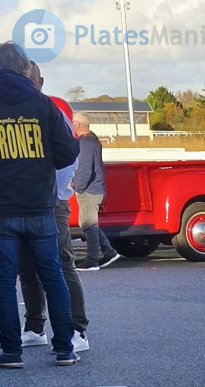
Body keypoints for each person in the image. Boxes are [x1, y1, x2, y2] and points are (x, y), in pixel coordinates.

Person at [0, 41, 78, 369]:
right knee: (53, 276)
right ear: (25, 68)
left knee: (5, 282)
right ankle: (64, 348)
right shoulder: (44, 104)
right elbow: (70, 152)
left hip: (3, 210)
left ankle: (12, 352)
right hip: (41, 208)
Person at [18, 61, 88, 354]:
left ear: (40, 80)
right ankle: (35, 326)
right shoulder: (15, 109)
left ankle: (77, 330)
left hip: (53, 201)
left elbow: (69, 156)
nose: (23, 81)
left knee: (61, 263)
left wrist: (56, 192)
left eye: (28, 77)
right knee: (27, 268)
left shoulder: (51, 110)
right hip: (24, 202)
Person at [71, 113, 120, 270]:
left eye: (72, 122)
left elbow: (85, 169)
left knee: (89, 225)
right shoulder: (92, 140)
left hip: (89, 190)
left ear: (78, 124)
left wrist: (75, 186)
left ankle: (92, 261)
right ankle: (109, 252)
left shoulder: (84, 143)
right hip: (95, 188)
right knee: (86, 223)